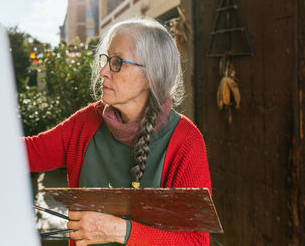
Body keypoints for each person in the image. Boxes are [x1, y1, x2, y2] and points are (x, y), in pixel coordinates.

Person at [24, 17, 212, 245]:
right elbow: (29, 153)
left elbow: (195, 242)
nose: (103, 71)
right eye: (106, 60)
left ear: (150, 77)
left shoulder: (186, 141)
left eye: (117, 62)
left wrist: (121, 231)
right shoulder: (87, 122)